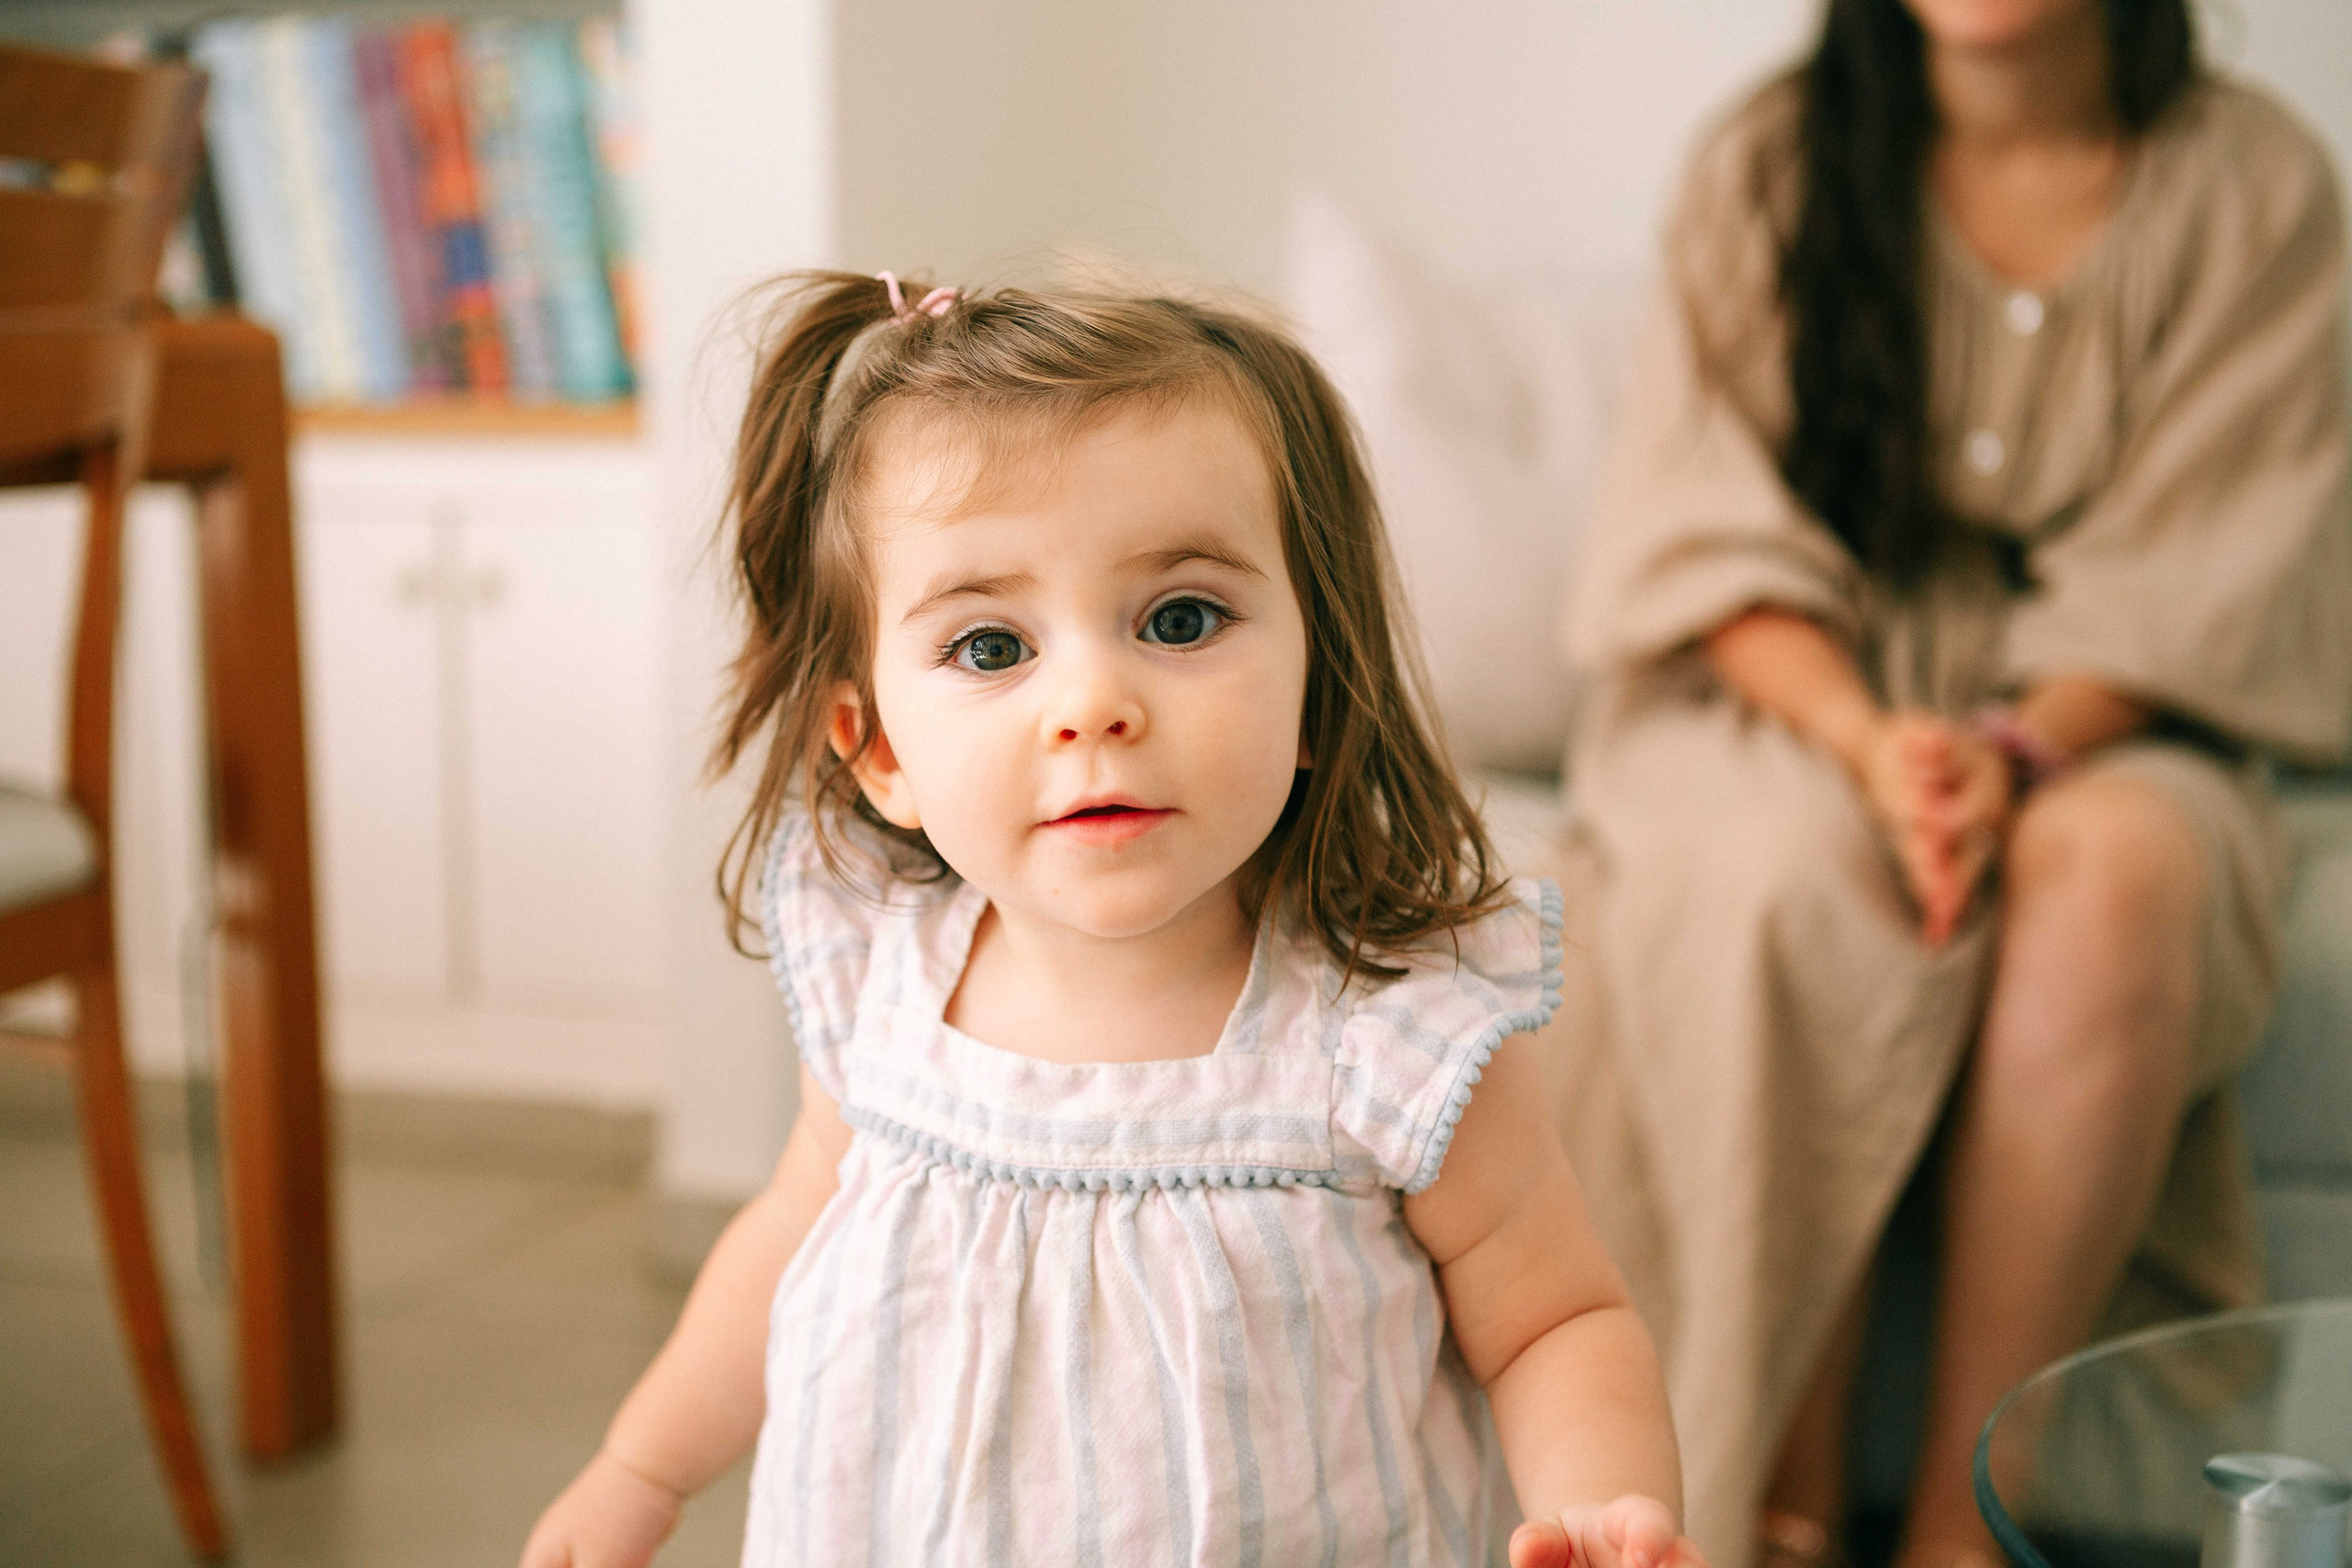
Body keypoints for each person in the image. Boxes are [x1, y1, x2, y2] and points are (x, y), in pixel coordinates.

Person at [519, 271, 1710, 1568]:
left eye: (1180, 619)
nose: (1092, 701)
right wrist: (640, 1467)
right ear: (877, 753)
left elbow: (1554, 1323)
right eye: (990, 647)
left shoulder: (1391, 1034)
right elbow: (780, 1250)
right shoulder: (881, 985)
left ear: (1319, 685)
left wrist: (1598, 1506)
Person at [1554, 1, 2351, 1566]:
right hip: (1785, 696)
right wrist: (1872, 744)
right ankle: (1763, 1511)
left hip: (2113, 720)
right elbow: (1697, 524)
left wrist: (2014, 751)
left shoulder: (2257, 186)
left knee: (2115, 876)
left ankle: (1964, 1531)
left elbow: (2219, 565)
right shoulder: (1770, 164)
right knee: (1787, 874)